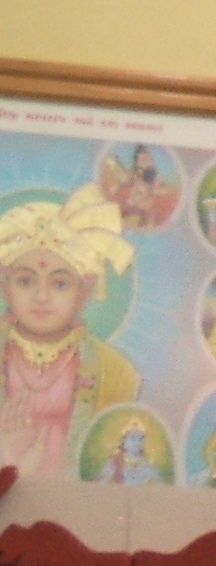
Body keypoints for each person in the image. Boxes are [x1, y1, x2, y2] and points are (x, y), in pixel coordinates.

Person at [0, 185, 141, 479]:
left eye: (59, 283)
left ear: (84, 291)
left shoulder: (114, 371)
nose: (41, 296)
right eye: (25, 281)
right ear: (5, 285)